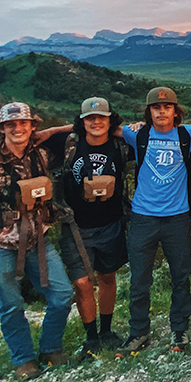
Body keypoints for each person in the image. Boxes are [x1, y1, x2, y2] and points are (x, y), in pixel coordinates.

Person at [0, 102, 73, 380]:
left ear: (33, 126)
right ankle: (23, 359)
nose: (18, 128)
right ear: (1, 129)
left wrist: (49, 132)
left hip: (37, 239)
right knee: (11, 305)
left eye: (24, 123)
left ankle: (50, 348)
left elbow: (80, 130)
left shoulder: (42, 154)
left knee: (62, 295)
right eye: (10, 124)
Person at [118, 86, 191, 354]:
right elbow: (101, 128)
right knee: (139, 279)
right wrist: (48, 133)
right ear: (149, 112)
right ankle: (138, 332)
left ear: (175, 110)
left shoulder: (188, 134)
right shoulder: (138, 134)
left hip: (177, 218)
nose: (161, 111)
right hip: (143, 217)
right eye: (156, 107)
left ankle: (180, 330)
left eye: (167, 107)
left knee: (181, 276)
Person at [54, 98, 132, 358]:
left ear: (110, 120)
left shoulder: (121, 145)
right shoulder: (68, 144)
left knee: (108, 277)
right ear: (82, 121)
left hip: (111, 222)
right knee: (82, 283)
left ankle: (106, 331)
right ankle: (91, 337)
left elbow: (157, 138)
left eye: (101, 117)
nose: (96, 122)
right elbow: (26, 141)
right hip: (76, 226)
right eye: (90, 118)